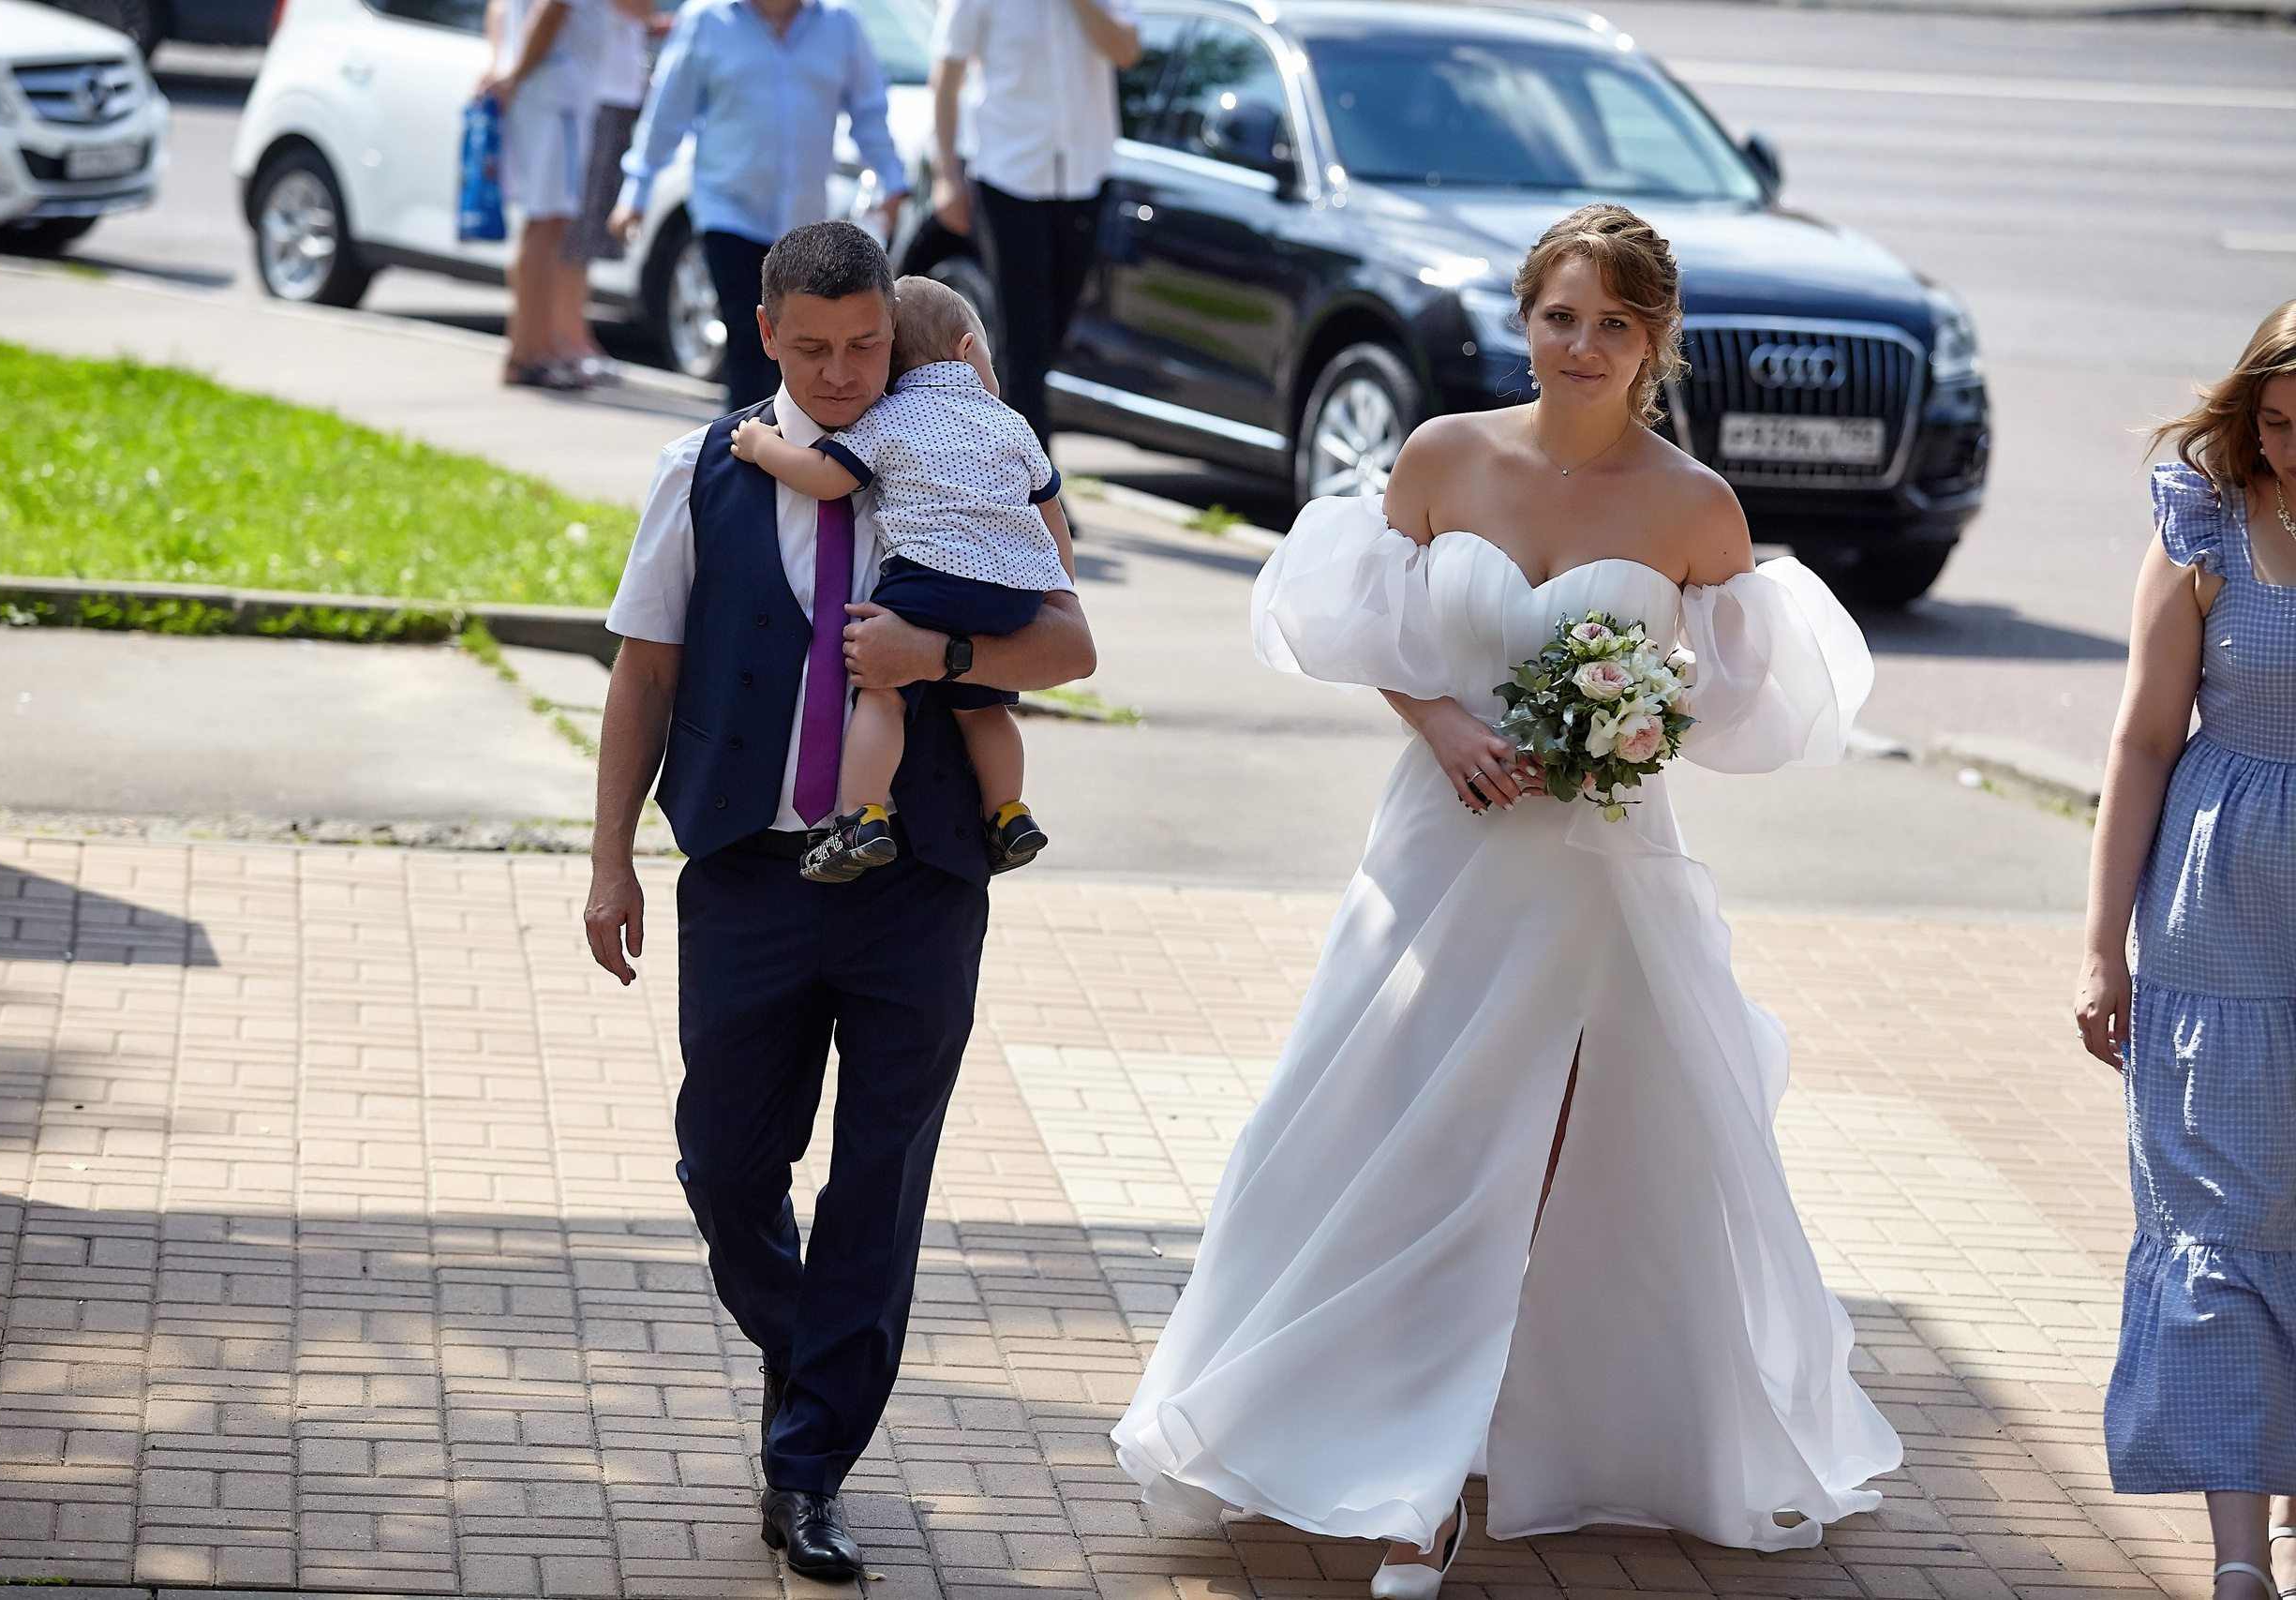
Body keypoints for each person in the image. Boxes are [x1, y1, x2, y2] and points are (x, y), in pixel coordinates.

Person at [1110, 203, 1900, 1589]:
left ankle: (1427, 1481)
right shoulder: (1442, 455)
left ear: (1655, 343)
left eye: (1613, 323)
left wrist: (1630, 724)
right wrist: (1445, 724)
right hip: (1437, 847)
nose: (1581, 345)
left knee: (1518, 1162)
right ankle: (1327, 1410)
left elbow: (1736, 695)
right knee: (1372, 1124)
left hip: (1595, 873)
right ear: (1524, 318)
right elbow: (1367, 624)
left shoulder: (1695, 506)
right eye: (1559, 315)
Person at [582, 220, 1096, 1581]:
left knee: (879, 1180)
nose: (844, 371)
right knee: (726, 1163)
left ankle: (808, 1465)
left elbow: (1071, 640)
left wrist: (947, 649)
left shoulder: (968, 441)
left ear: (895, 323)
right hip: (750, 866)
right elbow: (642, 676)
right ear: (767, 337)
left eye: (866, 343)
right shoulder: (702, 469)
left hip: (916, 876)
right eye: (813, 350)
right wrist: (609, 856)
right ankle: (811, 1353)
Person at [2075, 299, 2296, 1600]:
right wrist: (2101, 946)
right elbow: (2142, 740)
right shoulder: (2203, 524)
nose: (2286, 450)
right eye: (2272, 424)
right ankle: (2236, 1554)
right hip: (2217, 920)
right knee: (2221, 1212)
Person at [727, 275, 1072, 884]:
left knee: (882, 688)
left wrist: (759, 446)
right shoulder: (1011, 423)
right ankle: (1010, 812)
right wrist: (1049, 583)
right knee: (985, 706)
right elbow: (1049, 508)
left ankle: (862, 817)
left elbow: (825, 477)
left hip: (929, 576)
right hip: (1014, 587)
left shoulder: (888, 415)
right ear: (967, 349)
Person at [611, 0, 909, 409]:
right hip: (728, 212)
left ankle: (789, 452)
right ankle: (745, 450)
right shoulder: (706, 20)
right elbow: (667, 115)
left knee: (802, 345)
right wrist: (636, 193)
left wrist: (894, 180)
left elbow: (869, 113)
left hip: (803, 224)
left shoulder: (841, 25)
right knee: (749, 336)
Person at [929, 0, 1139, 447]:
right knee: (1023, 339)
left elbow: (1125, 51)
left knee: (1049, 338)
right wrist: (946, 172)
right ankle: (1034, 492)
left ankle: (1002, 466)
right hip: (1009, 175)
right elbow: (948, 71)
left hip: (1083, 176)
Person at [482, 0, 609, 389]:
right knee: (547, 224)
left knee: (545, 224)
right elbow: (553, 8)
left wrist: (507, 68)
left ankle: (532, 346)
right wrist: (515, 74)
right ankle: (529, 354)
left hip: (547, 88)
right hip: (556, 92)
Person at [554, 0, 662, 387]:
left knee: (585, 228)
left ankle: (572, 335)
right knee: (576, 226)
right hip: (598, 93)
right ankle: (566, 338)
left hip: (613, 92)